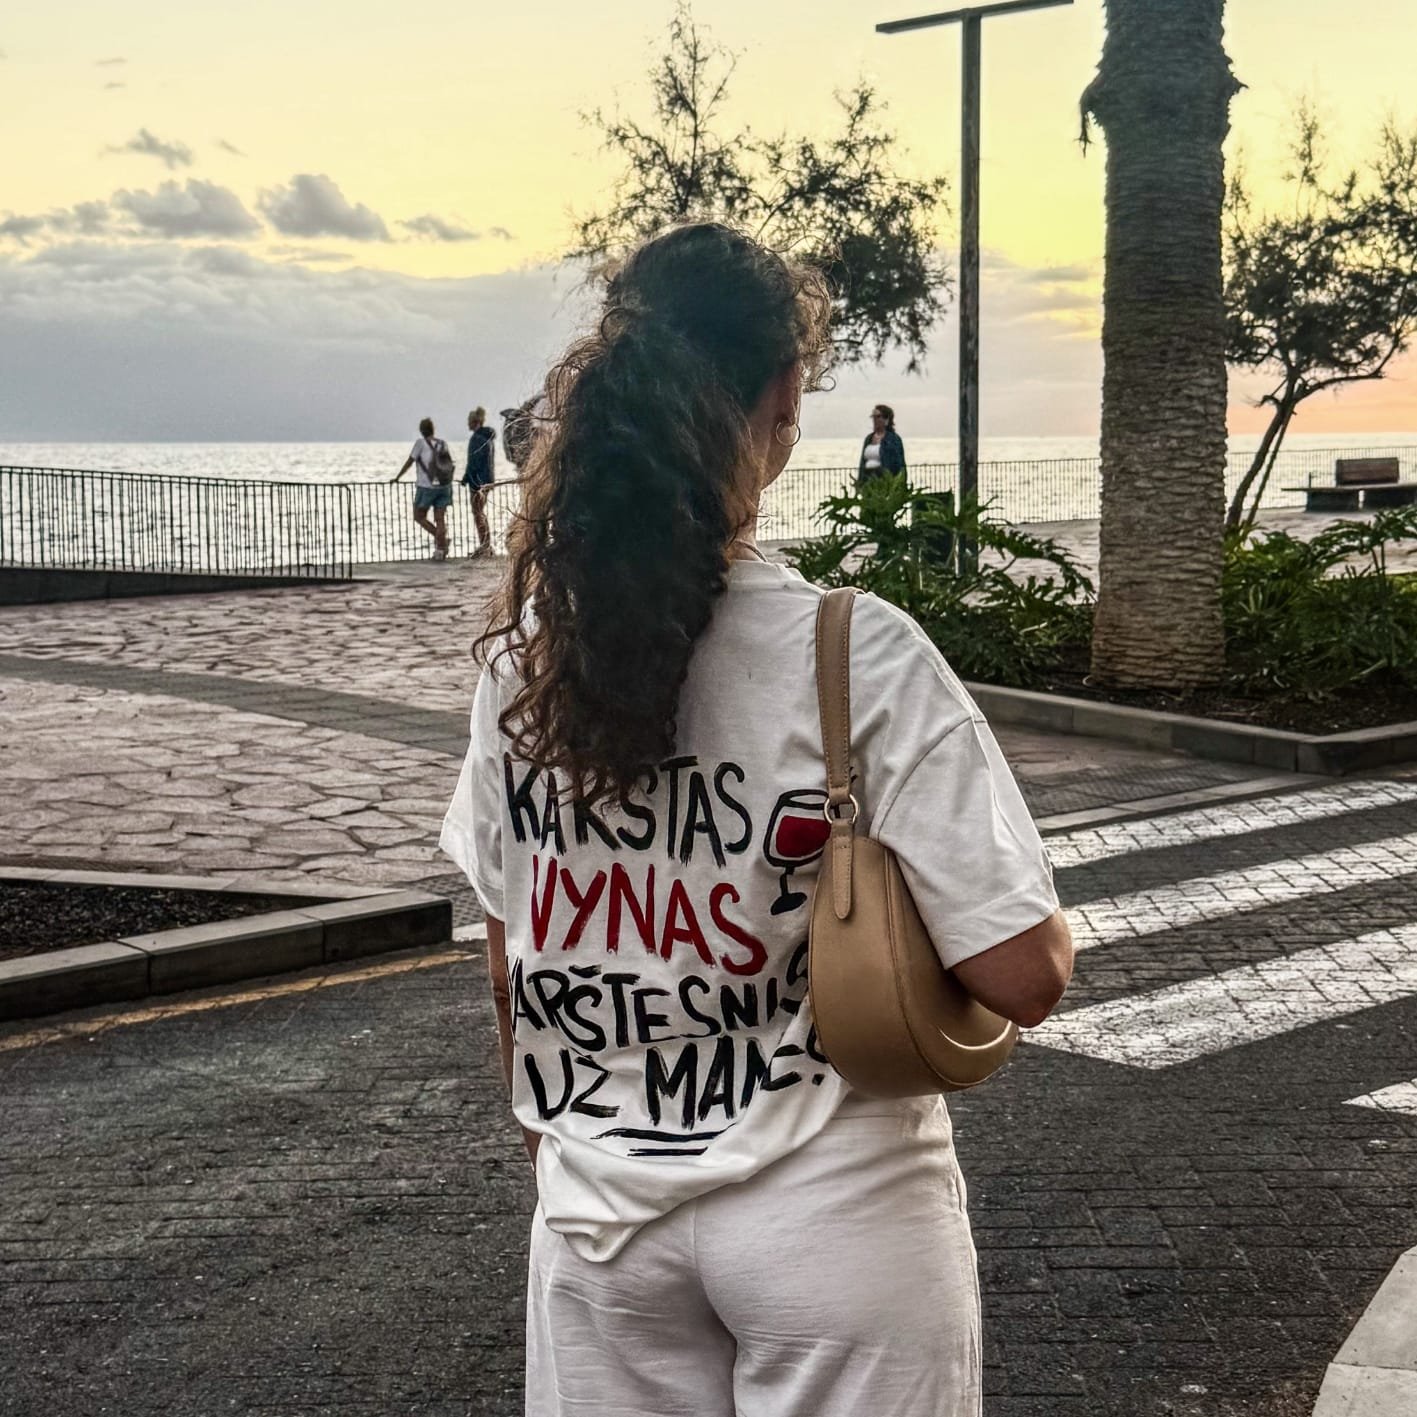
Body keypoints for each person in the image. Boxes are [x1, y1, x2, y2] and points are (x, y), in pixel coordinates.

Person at [440, 221, 1073, 1417]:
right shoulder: (854, 650)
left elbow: (509, 941)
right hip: (838, 1214)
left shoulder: (523, 666)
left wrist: (559, 1140)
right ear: (783, 395)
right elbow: (1020, 973)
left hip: (597, 1221)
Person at [390, 416, 452, 559]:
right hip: (444, 485)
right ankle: (441, 549)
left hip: (426, 486)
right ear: (433, 429)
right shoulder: (442, 443)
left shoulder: (420, 443)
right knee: (440, 518)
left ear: (422, 431)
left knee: (418, 516)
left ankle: (442, 541)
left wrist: (398, 477)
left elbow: (410, 461)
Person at [464, 406, 496, 555]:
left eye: (469, 421)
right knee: (480, 512)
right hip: (487, 479)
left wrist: (467, 478)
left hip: (477, 482)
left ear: (474, 422)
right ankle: (486, 545)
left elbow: (473, 462)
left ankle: (485, 545)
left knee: (477, 513)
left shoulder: (476, 439)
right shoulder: (487, 438)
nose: (467, 424)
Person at [859, 402, 906, 482]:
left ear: (886, 419)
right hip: (868, 478)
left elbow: (898, 463)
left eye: (878, 417)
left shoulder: (893, 439)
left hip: (883, 479)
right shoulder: (869, 438)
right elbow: (862, 462)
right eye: (873, 417)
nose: (875, 420)